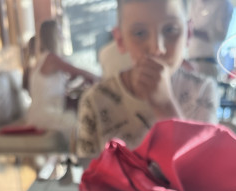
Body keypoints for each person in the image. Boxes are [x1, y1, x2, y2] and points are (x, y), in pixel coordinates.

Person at [76, 0, 219, 157]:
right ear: (120, 40)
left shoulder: (202, 91)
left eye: (170, 29)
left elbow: (203, 168)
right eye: (139, 33)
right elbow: (89, 169)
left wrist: (165, 107)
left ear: (188, 33)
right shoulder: (95, 101)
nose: (157, 48)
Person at [26, 19, 98, 143]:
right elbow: (78, 71)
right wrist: (99, 78)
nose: (63, 36)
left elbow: (52, 87)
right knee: (85, 125)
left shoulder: (40, 60)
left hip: (35, 115)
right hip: (46, 116)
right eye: (59, 33)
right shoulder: (52, 58)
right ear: (53, 36)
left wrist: (72, 82)